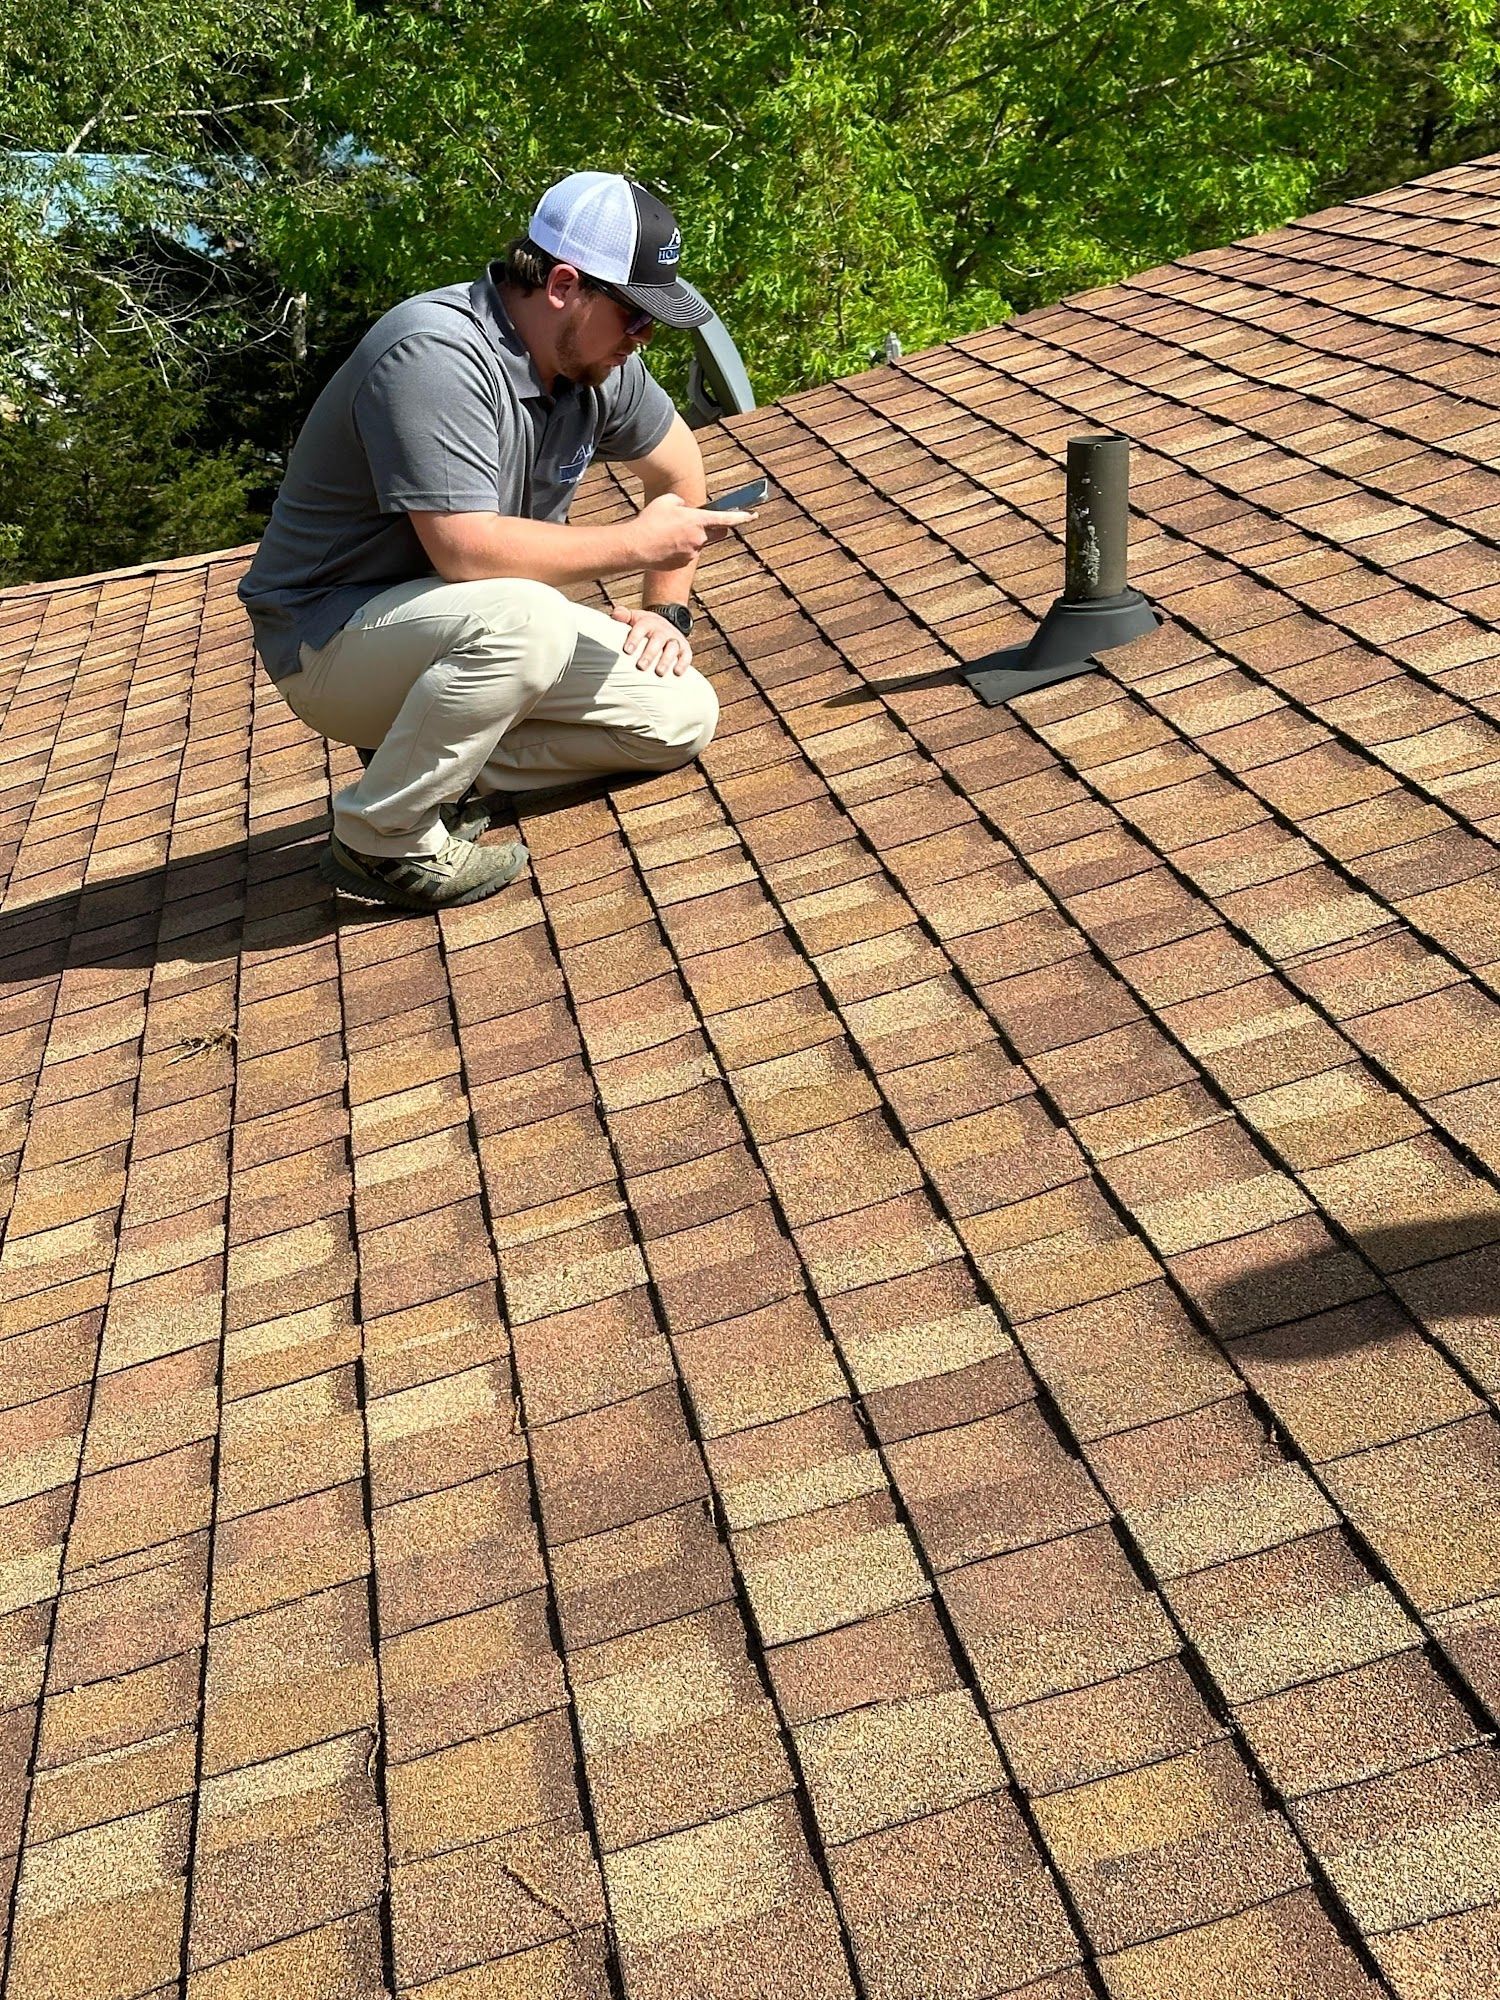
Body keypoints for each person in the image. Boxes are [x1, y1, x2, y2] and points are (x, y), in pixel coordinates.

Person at [238, 170, 755, 913]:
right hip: (329, 643)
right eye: (635, 316)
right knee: (526, 615)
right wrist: (641, 544)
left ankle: (440, 765)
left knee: (679, 717)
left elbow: (678, 469)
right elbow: (465, 552)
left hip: (459, 626)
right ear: (564, 285)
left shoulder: (603, 364)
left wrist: (664, 612)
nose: (642, 340)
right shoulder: (435, 354)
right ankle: (382, 837)